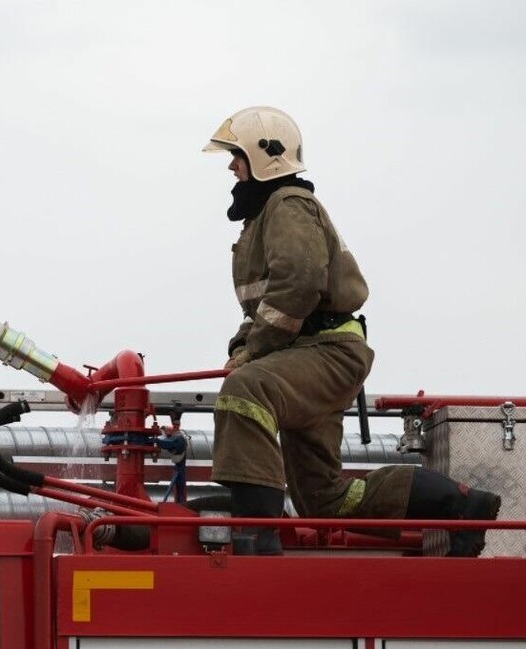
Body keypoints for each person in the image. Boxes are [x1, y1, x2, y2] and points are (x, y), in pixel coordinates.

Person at [201, 106, 501, 555]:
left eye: (237, 157)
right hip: (307, 355)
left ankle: (257, 538)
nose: (231, 168)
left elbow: (299, 283)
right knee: (324, 501)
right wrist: (244, 343)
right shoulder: (265, 220)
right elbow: (270, 305)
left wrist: (253, 351)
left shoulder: (287, 205)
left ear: (264, 159)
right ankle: (460, 505)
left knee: (245, 393)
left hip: (325, 354)